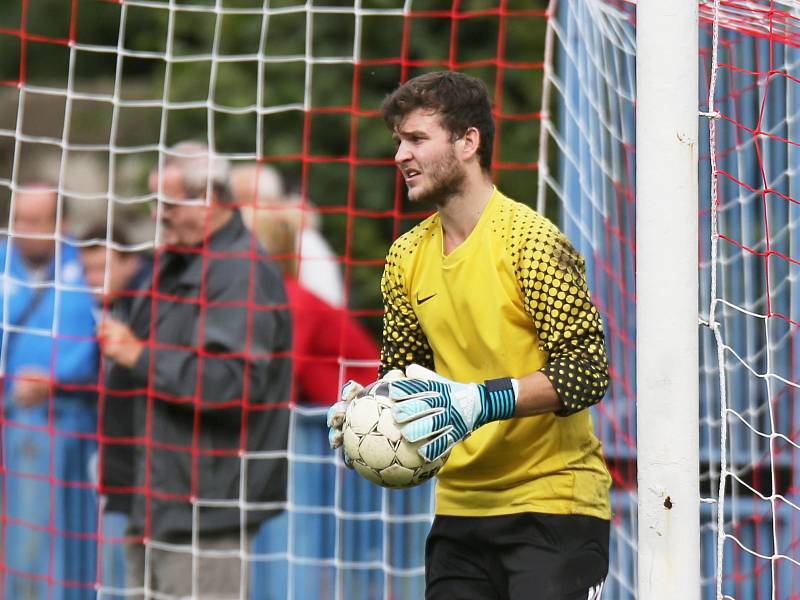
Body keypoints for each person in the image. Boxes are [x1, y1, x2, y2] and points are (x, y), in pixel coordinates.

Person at [328, 71, 612, 599]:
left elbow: (586, 374)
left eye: (416, 139)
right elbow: (404, 374)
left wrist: (480, 402)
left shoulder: (533, 241)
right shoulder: (405, 257)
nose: (400, 156)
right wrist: (368, 409)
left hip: (554, 506)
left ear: (468, 142)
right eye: (398, 142)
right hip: (460, 509)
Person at [96, 142, 292, 599]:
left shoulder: (240, 270)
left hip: (205, 512)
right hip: (156, 501)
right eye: (154, 201)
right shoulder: (176, 259)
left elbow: (231, 384)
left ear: (209, 200)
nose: (157, 214)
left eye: (167, 203)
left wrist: (138, 357)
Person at [0, 185, 99, 600]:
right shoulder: (4, 262)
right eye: (18, 219)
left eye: (35, 221)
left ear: (62, 225)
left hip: (75, 429)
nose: (24, 230)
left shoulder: (90, 265)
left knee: (73, 543)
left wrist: (56, 379)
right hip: (13, 426)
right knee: (21, 545)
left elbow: (102, 339)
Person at [79, 223, 153, 597]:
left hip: (151, 470)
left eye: (101, 268)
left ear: (129, 260)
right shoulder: (116, 304)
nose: (93, 279)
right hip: (127, 468)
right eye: (87, 270)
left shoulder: (152, 302)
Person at [247, 203, 378, 406]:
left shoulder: (293, 299)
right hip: (328, 401)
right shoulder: (279, 293)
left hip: (361, 401)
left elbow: (285, 376)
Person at [232, 163, 346, 307]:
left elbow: (326, 304)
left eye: (242, 200)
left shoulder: (305, 241)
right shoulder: (240, 243)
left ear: (269, 201)